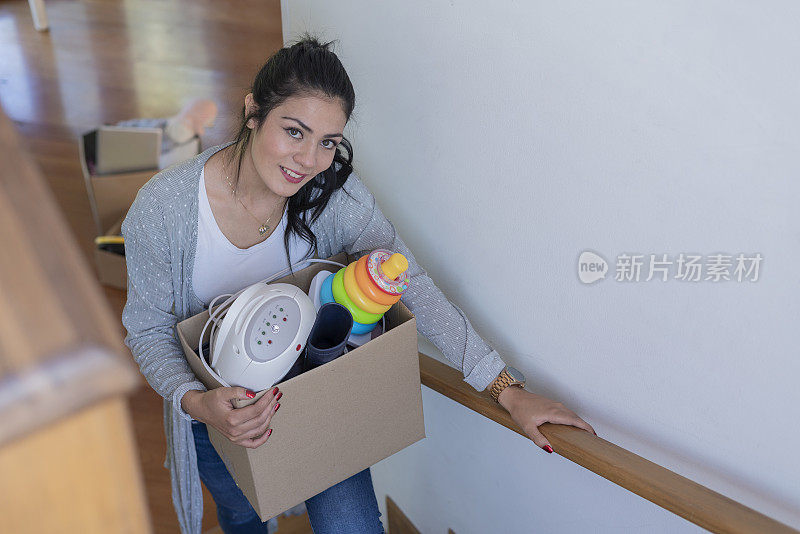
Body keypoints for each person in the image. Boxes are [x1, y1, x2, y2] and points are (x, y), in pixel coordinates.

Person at [121, 36, 596, 534]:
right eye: (294, 131)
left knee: (353, 526)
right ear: (253, 112)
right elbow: (149, 330)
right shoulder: (164, 210)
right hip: (217, 411)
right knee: (242, 516)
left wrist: (505, 388)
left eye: (327, 142)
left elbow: (408, 281)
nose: (308, 160)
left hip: (318, 399)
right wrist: (198, 403)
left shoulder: (335, 196)